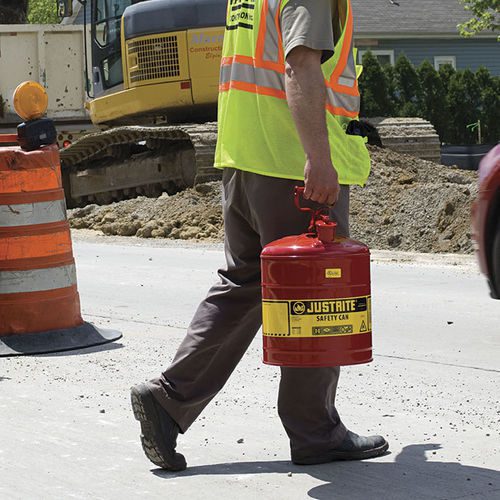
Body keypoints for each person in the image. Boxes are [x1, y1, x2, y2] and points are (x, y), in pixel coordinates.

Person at [130, 0, 388, 470]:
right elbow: (301, 65)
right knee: (314, 295)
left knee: (245, 282)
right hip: (290, 165)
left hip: (243, 157)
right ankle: (315, 432)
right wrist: (319, 158)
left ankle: (169, 400)